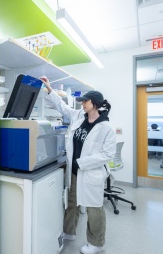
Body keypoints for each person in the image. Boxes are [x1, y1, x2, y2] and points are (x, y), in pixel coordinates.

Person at [40, 77, 116, 254]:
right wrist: (50, 89)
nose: (82, 104)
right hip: (74, 171)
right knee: (71, 201)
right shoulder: (79, 116)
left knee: (94, 208)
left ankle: (96, 244)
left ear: (95, 104)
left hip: (90, 173)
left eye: (85, 101)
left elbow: (107, 155)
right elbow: (63, 107)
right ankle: (69, 232)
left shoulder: (105, 128)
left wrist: (82, 163)